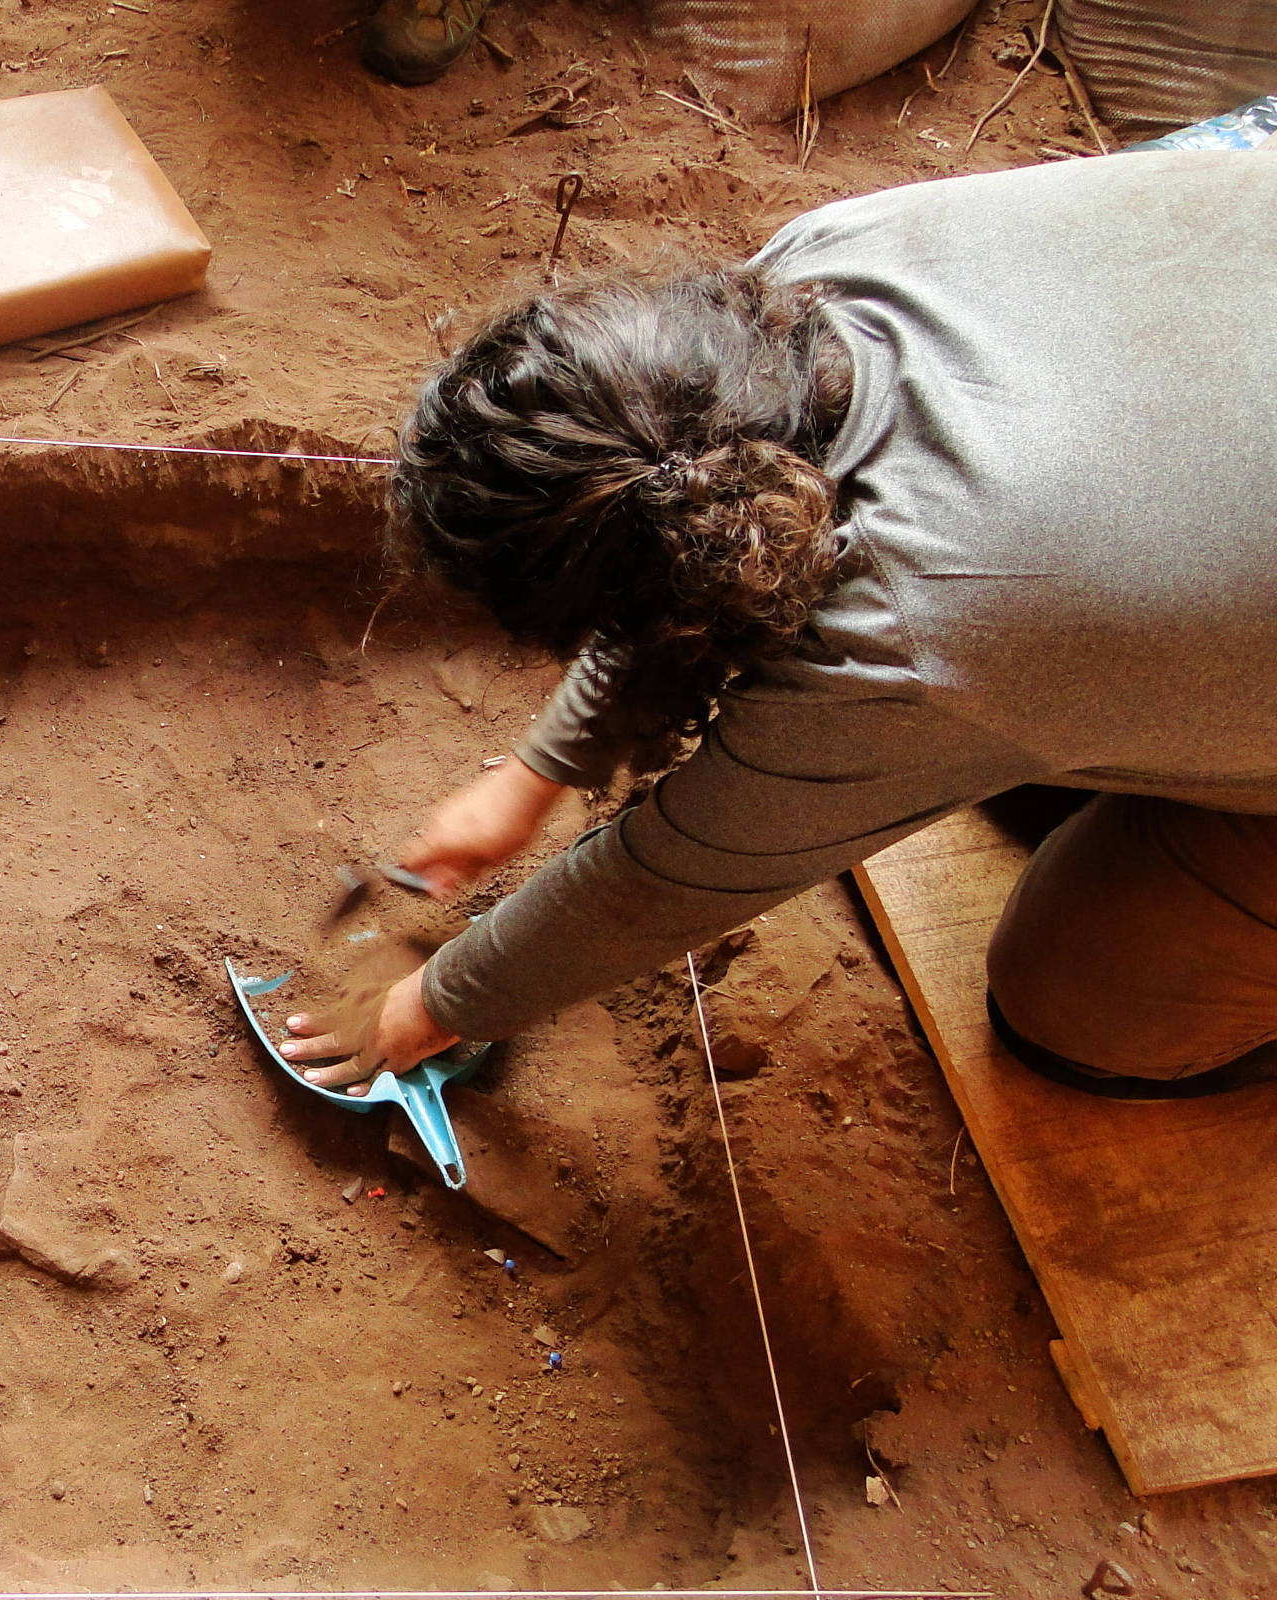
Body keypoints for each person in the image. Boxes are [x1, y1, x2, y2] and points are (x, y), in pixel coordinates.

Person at [278, 148, 1277, 1104]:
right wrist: (538, 770)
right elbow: (682, 498)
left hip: (1117, 558)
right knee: (1046, 740)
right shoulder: (813, 276)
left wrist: (440, 1002)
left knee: (1079, 1008)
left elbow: (664, 881)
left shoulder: (920, 629)